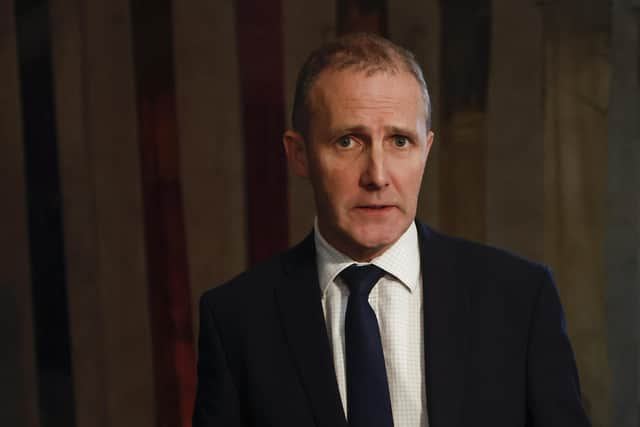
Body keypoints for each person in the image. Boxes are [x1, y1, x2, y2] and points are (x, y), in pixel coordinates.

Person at [192, 33, 591, 427]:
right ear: (300, 155)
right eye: (348, 141)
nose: (378, 175)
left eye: (400, 141)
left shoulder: (520, 298)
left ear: (426, 151)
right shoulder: (236, 319)